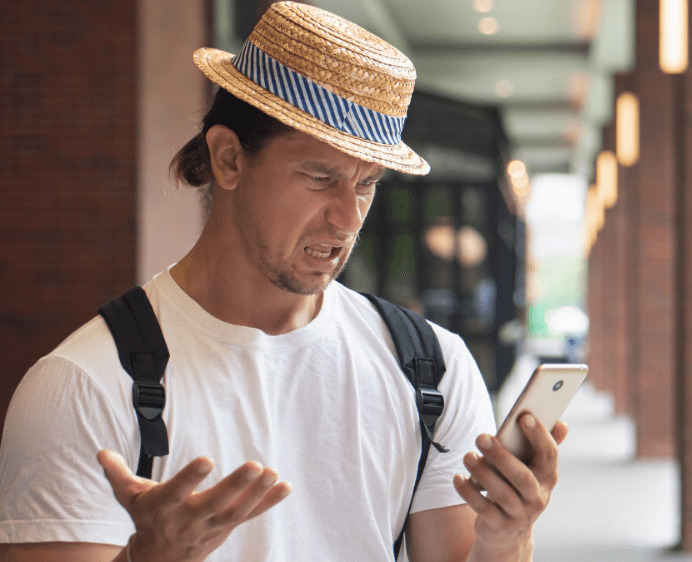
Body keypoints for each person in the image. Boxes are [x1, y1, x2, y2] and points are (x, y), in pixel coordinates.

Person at [0, 3, 567, 561]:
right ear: (228, 159)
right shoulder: (85, 385)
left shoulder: (431, 369)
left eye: (366, 184)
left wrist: (506, 537)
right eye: (319, 177)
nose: (347, 219)